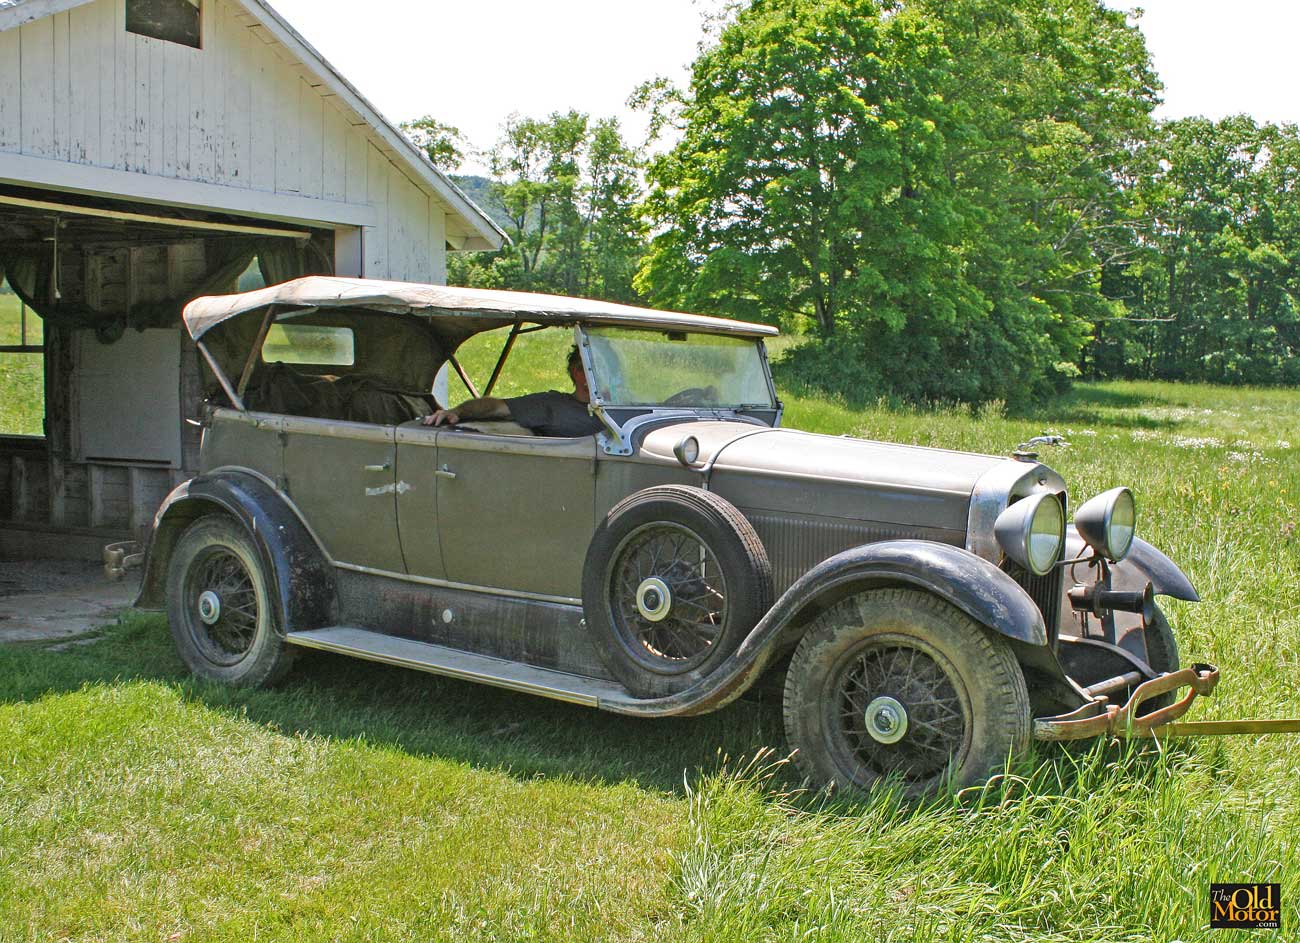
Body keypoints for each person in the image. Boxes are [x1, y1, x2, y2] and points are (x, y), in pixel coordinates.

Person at [422, 347, 605, 437]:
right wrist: (457, 411)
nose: (596, 375)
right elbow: (496, 407)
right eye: (588, 369)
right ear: (576, 372)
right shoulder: (552, 404)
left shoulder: (621, 408)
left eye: (603, 369)